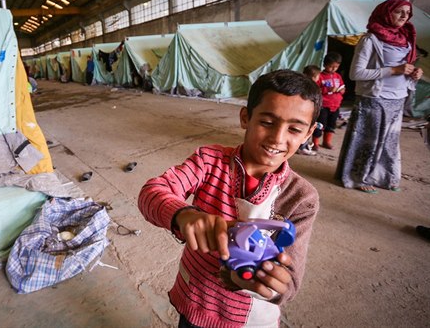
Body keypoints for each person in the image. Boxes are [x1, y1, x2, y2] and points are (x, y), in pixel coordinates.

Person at [138, 70, 322, 327]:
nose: (278, 139)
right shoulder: (208, 161)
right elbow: (152, 192)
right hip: (195, 304)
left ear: (308, 134)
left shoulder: (302, 198)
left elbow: (288, 283)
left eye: (294, 129)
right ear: (245, 117)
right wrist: (184, 215)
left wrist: (265, 282)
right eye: (267, 122)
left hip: (250, 319)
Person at [335, 0, 423, 194]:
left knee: (390, 142)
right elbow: (355, 74)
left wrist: (414, 75)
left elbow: (404, 70)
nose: (404, 16)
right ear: (385, 12)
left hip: (398, 98)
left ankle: (385, 176)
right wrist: (393, 70)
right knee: (369, 141)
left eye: (407, 13)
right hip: (374, 99)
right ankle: (359, 177)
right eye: (399, 11)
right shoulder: (370, 40)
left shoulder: (406, 39)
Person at [313, 52, 346, 150]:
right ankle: (315, 143)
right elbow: (316, 90)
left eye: (336, 67)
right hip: (324, 105)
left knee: (331, 125)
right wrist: (327, 90)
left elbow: (342, 87)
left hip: (336, 105)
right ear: (325, 65)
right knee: (320, 124)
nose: (333, 69)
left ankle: (327, 142)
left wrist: (342, 90)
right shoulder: (320, 76)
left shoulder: (338, 76)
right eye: (331, 66)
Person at [297, 65, 322, 156]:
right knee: (305, 129)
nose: (317, 78)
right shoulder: (308, 87)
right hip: (304, 113)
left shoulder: (308, 86)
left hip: (304, 112)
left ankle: (302, 146)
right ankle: (302, 147)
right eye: (316, 76)